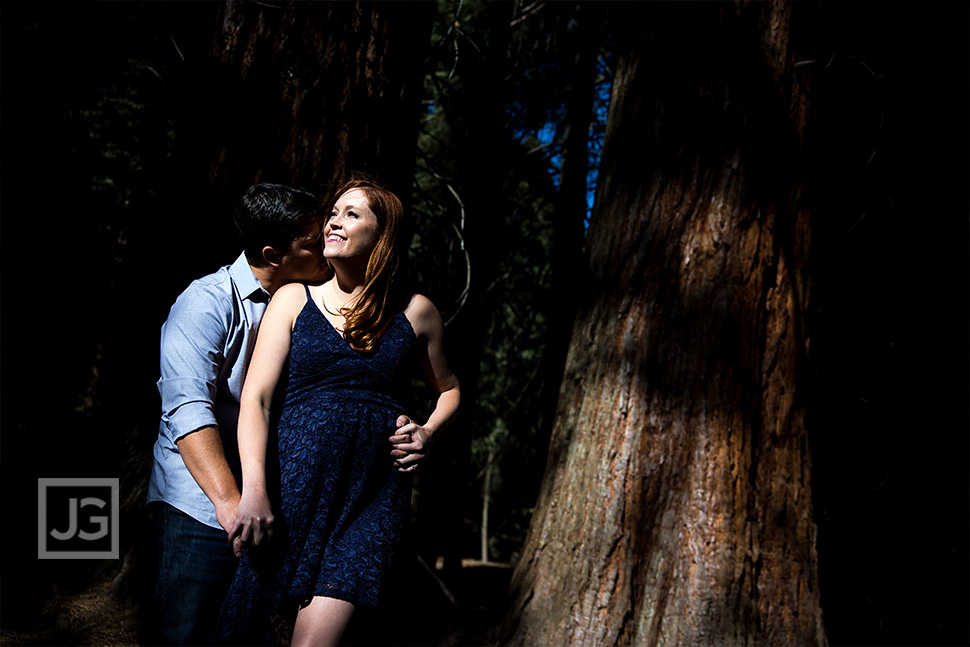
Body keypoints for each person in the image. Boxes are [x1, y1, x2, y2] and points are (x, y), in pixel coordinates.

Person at [213, 178, 461, 646]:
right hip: (291, 493)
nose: (333, 221)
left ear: (382, 235)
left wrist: (428, 432)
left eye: (351, 214)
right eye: (333, 213)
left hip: (373, 498)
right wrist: (255, 492)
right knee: (249, 629)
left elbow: (449, 389)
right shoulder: (293, 299)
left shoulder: (417, 311)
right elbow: (257, 399)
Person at [145, 183, 333, 646]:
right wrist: (232, 506)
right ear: (273, 255)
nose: (326, 247)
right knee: (183, 635)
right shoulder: (205, 302)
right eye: (312, 242)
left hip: (273, 509)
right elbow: (188, 412)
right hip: (202, 508)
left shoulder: (314, 304)